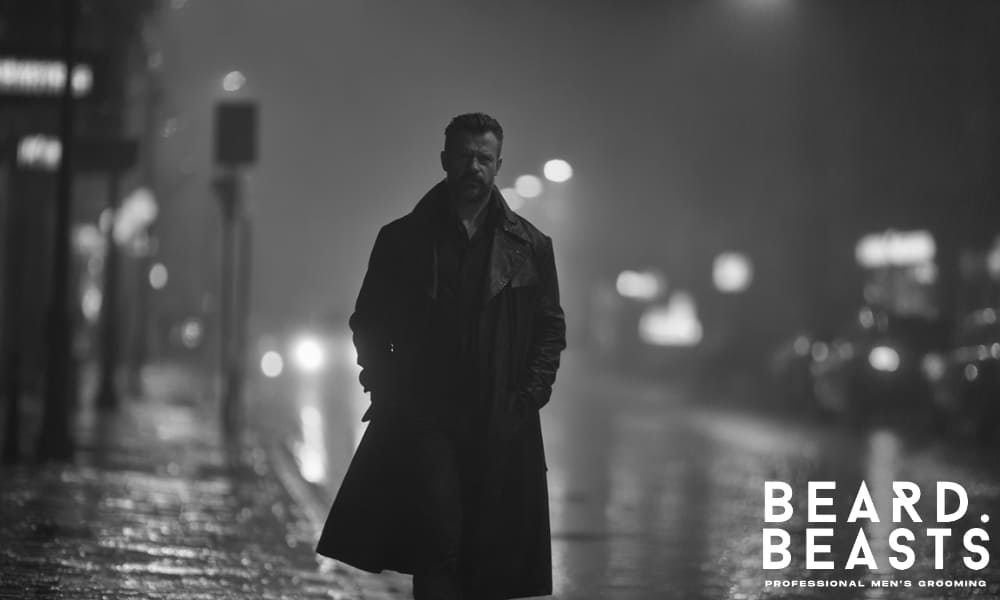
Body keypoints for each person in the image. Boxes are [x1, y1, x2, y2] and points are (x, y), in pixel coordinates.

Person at [316, 112, 566, 600]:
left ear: (498, 166)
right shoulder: (402, 239)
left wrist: (529, 395)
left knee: (486, 552)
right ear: (445, 160)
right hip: (425, 416)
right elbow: (368, 320)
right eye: (465, 156)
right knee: (437, 543)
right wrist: (386, 384)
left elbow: (549, 327)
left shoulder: (531, 246)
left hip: (498, 419)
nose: (474, 166)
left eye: (484, 158)